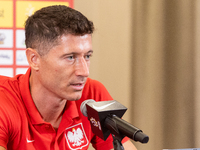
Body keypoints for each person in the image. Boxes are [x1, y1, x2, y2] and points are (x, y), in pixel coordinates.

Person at [0, 5, 137, 150]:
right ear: (34, 59)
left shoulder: (92, 94)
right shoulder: (4, 99)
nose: (84, 72)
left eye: (87, 56)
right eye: (70, 57)